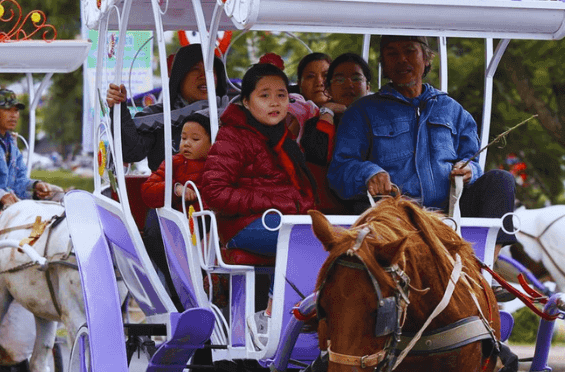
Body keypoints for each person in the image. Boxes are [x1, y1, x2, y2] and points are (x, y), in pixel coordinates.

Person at [327, 35, 516, 248]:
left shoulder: (454, 110)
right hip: (393, 222)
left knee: (501, 180)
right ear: (384, 66)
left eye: (410, 51)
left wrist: (469, 170)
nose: (401, 59)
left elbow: (473, 161)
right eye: (392, 54)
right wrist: (368, 173)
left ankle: (485, 269)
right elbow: (339, 171)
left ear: (426, 58)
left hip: (451, 219)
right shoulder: (362, 112)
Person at [201, 54, 317, 256]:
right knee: (306, 245)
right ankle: (279, 290)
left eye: (281, 95)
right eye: (264, 95)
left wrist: (296, 203)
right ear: (246, 101)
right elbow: (214, 192)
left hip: (281, 218)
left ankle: (280, 288)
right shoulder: (233, 136)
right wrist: (273, 201)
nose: (274, 103)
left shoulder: (283, 137)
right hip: (243, 225)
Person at [106, 43, 231, 171]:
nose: (204, 76)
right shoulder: (156, 117)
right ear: (180, 76)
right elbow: (131, 152)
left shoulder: (231, 117)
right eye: (195, 69)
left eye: (210, 70)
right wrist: (120, 110)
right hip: (166, 189)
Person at [300, 53, 373, 213]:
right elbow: (318, 154)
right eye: (339, 79)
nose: (348, 84)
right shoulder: (315, 123)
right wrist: (328, 112)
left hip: (371, 209)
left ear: (367, 87)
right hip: (327, 214)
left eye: (356, 78)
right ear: (329, 89)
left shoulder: (379, 123)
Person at [141, 112, 212, 210]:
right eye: (183, 138)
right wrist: (176, 188)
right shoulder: (173, 163)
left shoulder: (218, 165)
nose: (186, 143)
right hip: (183, 221)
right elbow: (148, 191)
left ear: (212, 143)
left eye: (195, 139)